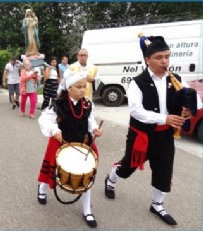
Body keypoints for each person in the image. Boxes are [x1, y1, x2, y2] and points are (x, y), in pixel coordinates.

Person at [104, 36, 197, 226]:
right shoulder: (137, 82)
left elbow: (195, 99)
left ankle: (157, 204)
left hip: (165, 136)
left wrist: (190, 108)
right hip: (142, 135)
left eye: (167, 57)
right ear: (147, 59)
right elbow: (136, 111)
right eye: (159, 57)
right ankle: (111, 179)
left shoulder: (176, 79)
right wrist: (165, 118)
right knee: (127, 167)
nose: (165, 61)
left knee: (164, 171)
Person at [37, 69, 103, 228]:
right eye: (79, 87)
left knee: (85, 176)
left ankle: (87, 210)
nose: (83, 90)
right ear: (69, 88)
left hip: (82, 143)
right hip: (62, 143)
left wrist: (95, 129)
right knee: (50, 170)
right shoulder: (58, 104)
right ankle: (42, 188)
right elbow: (45, 120)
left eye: (84, 87)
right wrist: (54, 130)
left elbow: (90, 121)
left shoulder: (88, 104)